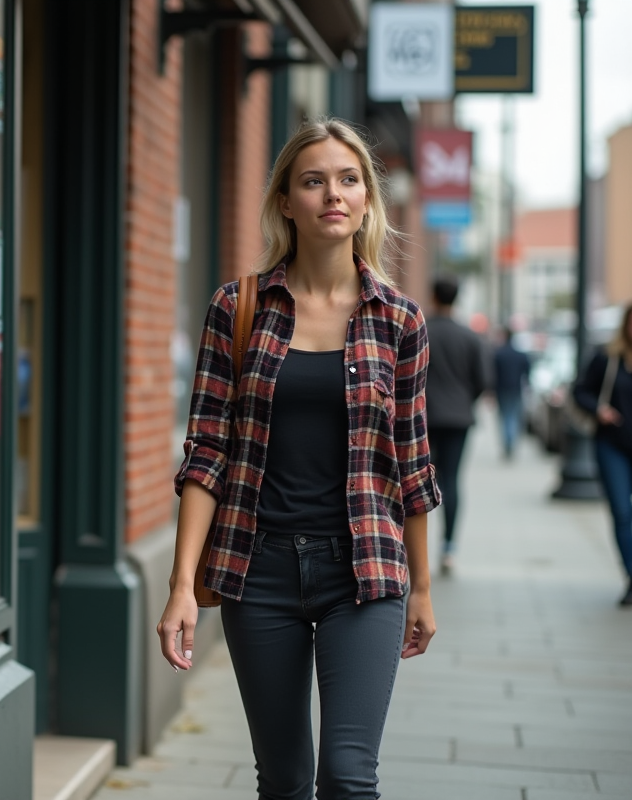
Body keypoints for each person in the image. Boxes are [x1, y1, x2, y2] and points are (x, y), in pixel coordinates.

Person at [156, 118, 441, 800]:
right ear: (287, 201)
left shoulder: (399, 321)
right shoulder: (238, 307)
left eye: (348, 180)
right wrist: (179, 587)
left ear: (367, 199)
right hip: (260, 570)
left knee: (347, 776)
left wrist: (422, 586)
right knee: (283, 781)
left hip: (364, 570)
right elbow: (206, 454)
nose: (332, 195)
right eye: (313, 181)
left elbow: (413, 463)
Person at [423, 277, 489, 575]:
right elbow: (483, 382)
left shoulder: (421, 330)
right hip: (459, 418)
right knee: (451, 480)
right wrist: (464, 402)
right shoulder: (470, 336)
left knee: (417, 482)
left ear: (433, 296)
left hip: (422, 418)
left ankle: (415, 547)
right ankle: (448, 547)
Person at [573, 302, 632, 607]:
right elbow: (580, 390)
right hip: (612, 445)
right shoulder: (607, 358)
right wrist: (599, 409)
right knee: (622, 512)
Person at [492, 325, 532, 459]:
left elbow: (492, 374)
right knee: (513, 416)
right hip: (516, 389)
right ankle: (511, 442)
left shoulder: (498, 353)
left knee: (505, 417)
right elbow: (527, 371)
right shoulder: (520, 354)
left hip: (501, 389)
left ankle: (508, 443)